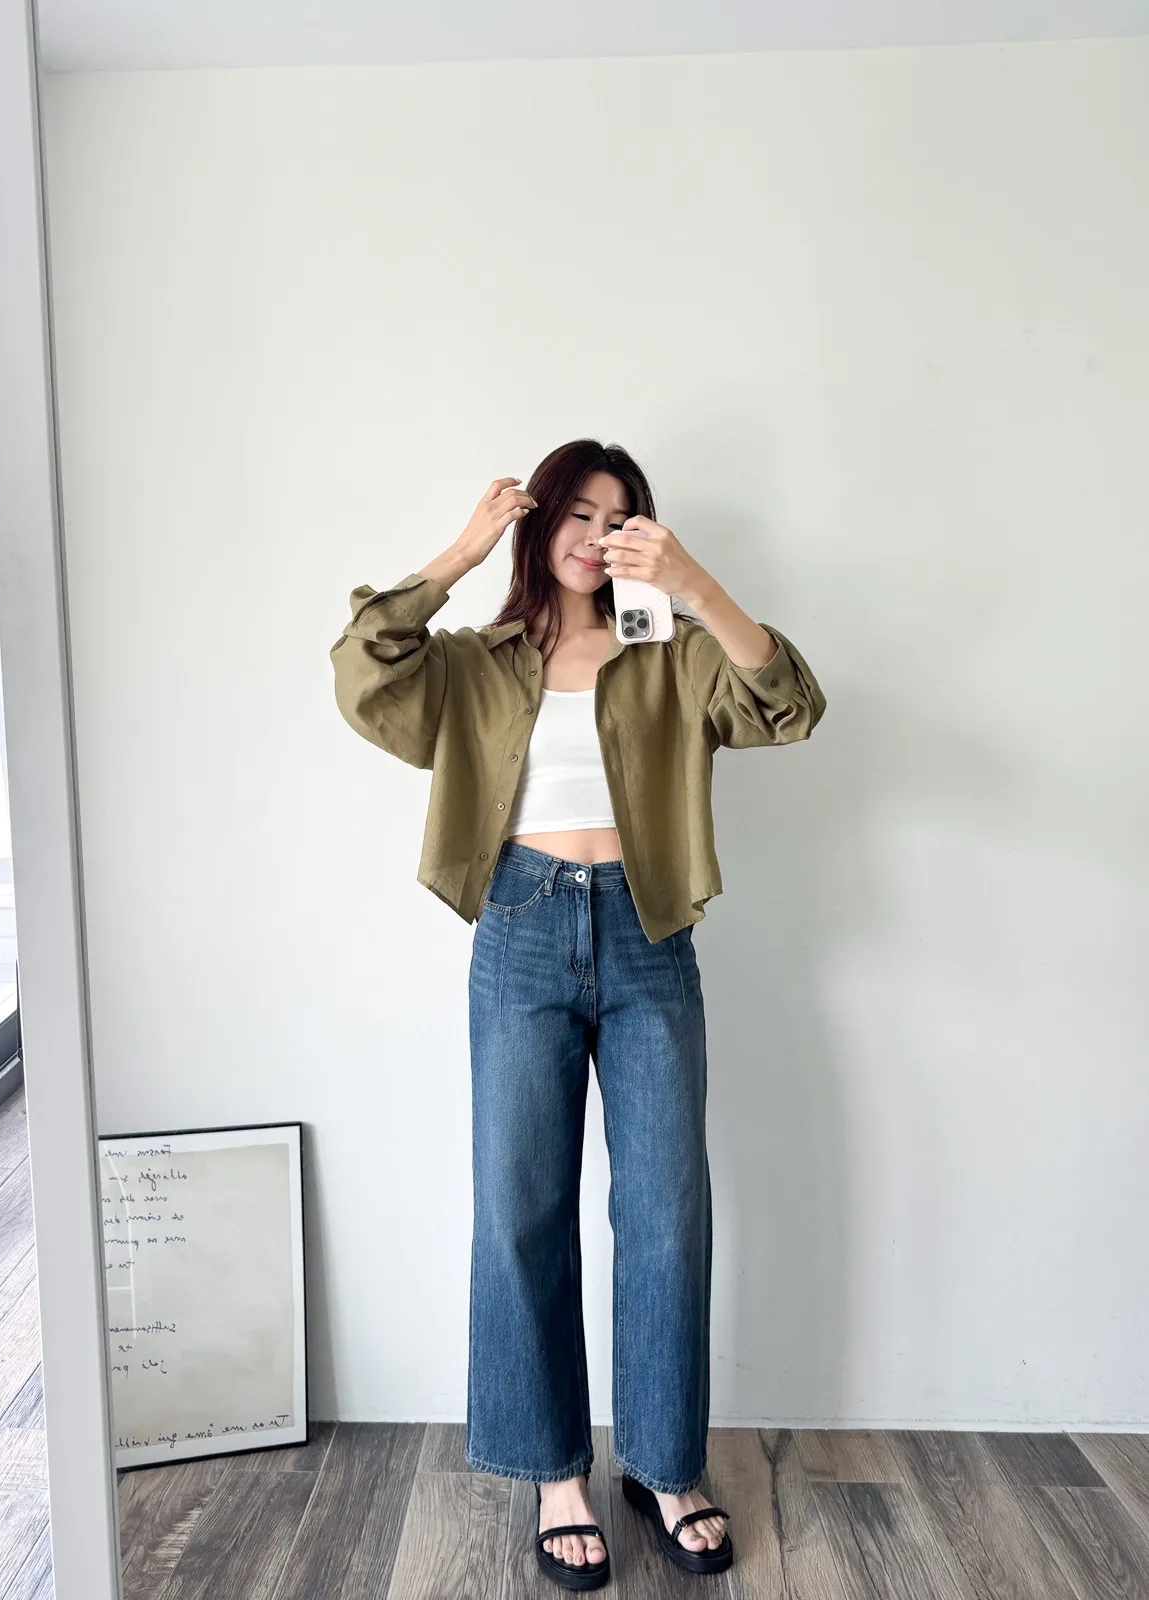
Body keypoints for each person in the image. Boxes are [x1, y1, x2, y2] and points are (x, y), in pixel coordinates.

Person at [330, 439, 826, 1588]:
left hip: (649, 937)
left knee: (665, 1212)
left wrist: (693, 582)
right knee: (521, 1210)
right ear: (540, 521)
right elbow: (363, 668)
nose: (595, 535)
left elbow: (788, 703)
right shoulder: (474, 662)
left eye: (619, 517)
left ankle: (664, 1466)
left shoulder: (672, 656)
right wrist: (461, 549)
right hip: (519, 929)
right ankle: (555, 1471)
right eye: (576, 513)